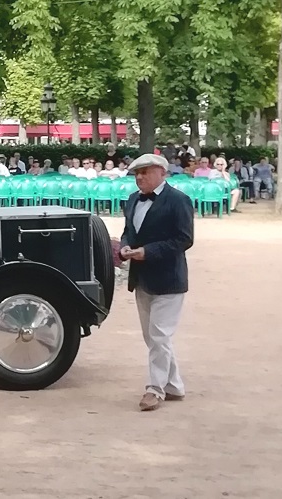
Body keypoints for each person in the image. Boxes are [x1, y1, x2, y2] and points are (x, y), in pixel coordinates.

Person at [118, 154, 194, 412]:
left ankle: (155, 389)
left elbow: (184, 240)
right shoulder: (131, 200)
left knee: (159, 335)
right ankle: (174, 385)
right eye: (136, 173)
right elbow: (129, 230)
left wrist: (148, 252)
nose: (139, 177)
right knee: (152, 337)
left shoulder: (179, 201)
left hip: (169, 278)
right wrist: (126, 245)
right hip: (141, 278)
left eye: (145, 172)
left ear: (162, 172)